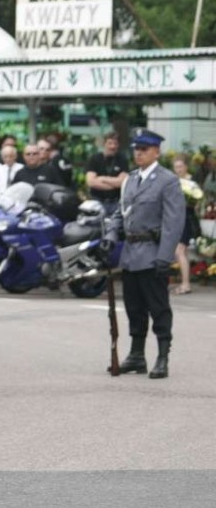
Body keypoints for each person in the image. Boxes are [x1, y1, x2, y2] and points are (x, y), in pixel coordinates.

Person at [102, 128, 185, 379]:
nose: (138, 153)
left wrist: (165, 255)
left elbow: (174, 222)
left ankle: (162, 358)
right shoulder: (130, 179)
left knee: (159, 308)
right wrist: (110, 236)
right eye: (136, 149)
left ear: (156, 152)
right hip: (130, 255)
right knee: (134, 308)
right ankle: (137, 355)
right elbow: (120, 213)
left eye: (144, 149)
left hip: (152, 253)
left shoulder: (167, 180)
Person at [172, 155, 202, 295]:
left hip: (187, 219)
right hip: (177, 218)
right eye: (176, 167)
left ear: (186, 167)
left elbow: (196, 203)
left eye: (180, 166)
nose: (178, 169)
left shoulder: (191, 183)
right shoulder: (174, 181)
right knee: (183, 252)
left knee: (179, 250)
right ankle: (185, 282)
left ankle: (186, 284)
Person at [86, 131, 129, 215]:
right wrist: (114, 183)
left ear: (118, 145)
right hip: (97, 201)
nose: (112, 146)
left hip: (116, 202)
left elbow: (122, 182)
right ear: (104, 144)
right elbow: (91, 182)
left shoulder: (122, 160)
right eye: (110, 143)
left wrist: (102, 179)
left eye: (115, 143)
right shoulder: (94, 159)